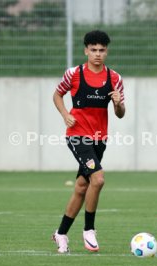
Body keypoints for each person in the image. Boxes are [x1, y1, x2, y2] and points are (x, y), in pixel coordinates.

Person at [52, 30, 125, 253]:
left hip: (99, 139)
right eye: (93, 50)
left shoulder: (115, 78)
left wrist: (117, 103)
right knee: (98, 179)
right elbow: (57, 95)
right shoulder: (73, 74)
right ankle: (89, 230)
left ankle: (61, 233)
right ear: (86, 50)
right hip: (77, 136)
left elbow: (121, 114)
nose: (97, 54)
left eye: (101, 50)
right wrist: (65, 114)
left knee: (82, 186)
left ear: (107, 52)